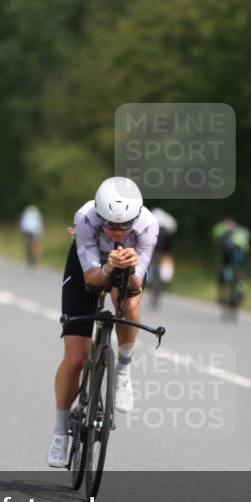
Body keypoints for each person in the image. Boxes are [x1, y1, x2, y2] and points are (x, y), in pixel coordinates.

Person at [47, 177, 158, 468]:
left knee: (130, 303)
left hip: (127, 268)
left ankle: (123, 369)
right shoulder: (85, 218)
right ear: (98, 214)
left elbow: (135, 286)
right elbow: (91, 280)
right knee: (76, 357)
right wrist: (109, 265)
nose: (118, 231)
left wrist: (130, 268)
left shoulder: (148, 226)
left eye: (125, 226)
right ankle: (59, 432)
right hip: (90, 266)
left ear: (136, 218)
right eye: (110, 224)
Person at [212, 217, 251, 318]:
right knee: (239, 270)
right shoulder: (241, 231)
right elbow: (246, 247)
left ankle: (226, 288)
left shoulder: (222, 229)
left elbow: (215, 235)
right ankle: (240, 286)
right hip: (238, 253)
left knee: (226, 269)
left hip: (227, 254)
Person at [149, 207, 178, 297]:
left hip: (154, 247)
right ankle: (164, 279)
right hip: (164, 246)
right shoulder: (167, 223)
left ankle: (152, 279)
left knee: (152, 263)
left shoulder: (152, 219)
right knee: (165, 261)